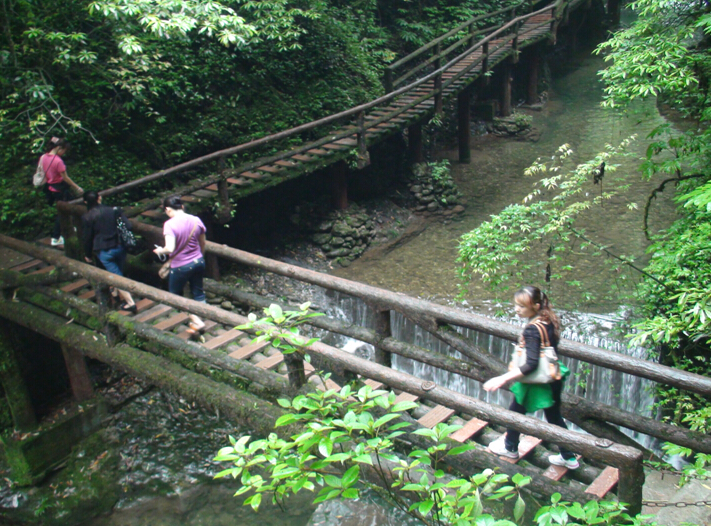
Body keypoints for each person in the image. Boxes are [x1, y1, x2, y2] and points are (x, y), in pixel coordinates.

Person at [483, 286, 578, 469]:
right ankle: (568, 456)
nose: (517, 309)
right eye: (516, 305)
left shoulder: (532, 330)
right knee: (554, 417)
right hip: (552, 376)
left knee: (514, 414)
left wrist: (503, 378)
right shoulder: (548, 320)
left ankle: (510, 447)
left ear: (535, 305)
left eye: (522, 306)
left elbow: (531, 364)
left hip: (536, 381)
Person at [153, 196, 207, 335]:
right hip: (198, 261)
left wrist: (160, 250)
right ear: (182, 207)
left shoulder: (169, 225)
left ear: (167, 209)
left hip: (181, 266)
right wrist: (199, 256)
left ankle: (197, 321)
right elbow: (203, 243)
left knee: (175, 297)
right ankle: (204, 315)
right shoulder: (196, 220)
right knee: (198, 292)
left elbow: (169, 248)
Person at [81, 191, 137, 313]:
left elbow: (87, 238)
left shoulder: (87, 217)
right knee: (118, 271)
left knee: (116, 276)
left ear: (85, 202)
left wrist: (88, 255)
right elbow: (128, 225)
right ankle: (116, 291)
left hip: (104, 251)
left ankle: (130, 303)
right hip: (119, 246)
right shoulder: (113, 210)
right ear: (99, 198)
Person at [40, 137, 83, 246]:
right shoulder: (58, 161)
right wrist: (77, 187)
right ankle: (56, 237)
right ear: (59, 148)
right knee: (64, 210)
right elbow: (65, 177)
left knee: (69, 207)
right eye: (64, 150)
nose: (64, 153)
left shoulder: (44, 157)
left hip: (51, 188)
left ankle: (71, 227)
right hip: (61, 188)